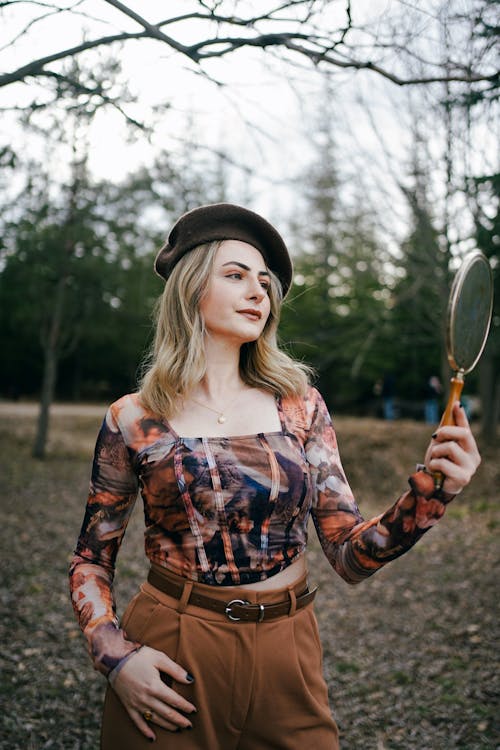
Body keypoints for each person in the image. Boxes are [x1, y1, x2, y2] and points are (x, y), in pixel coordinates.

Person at [69, 203, 481, 749]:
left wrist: (433, 493)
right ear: (191, 289)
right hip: (174, 644)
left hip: (288, 647)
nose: (258, 291)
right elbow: (91, 559)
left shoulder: (300, 407)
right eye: (235, 276)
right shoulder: (134, 417)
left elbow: (351, 555)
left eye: (264, 282)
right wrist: (114, 655)